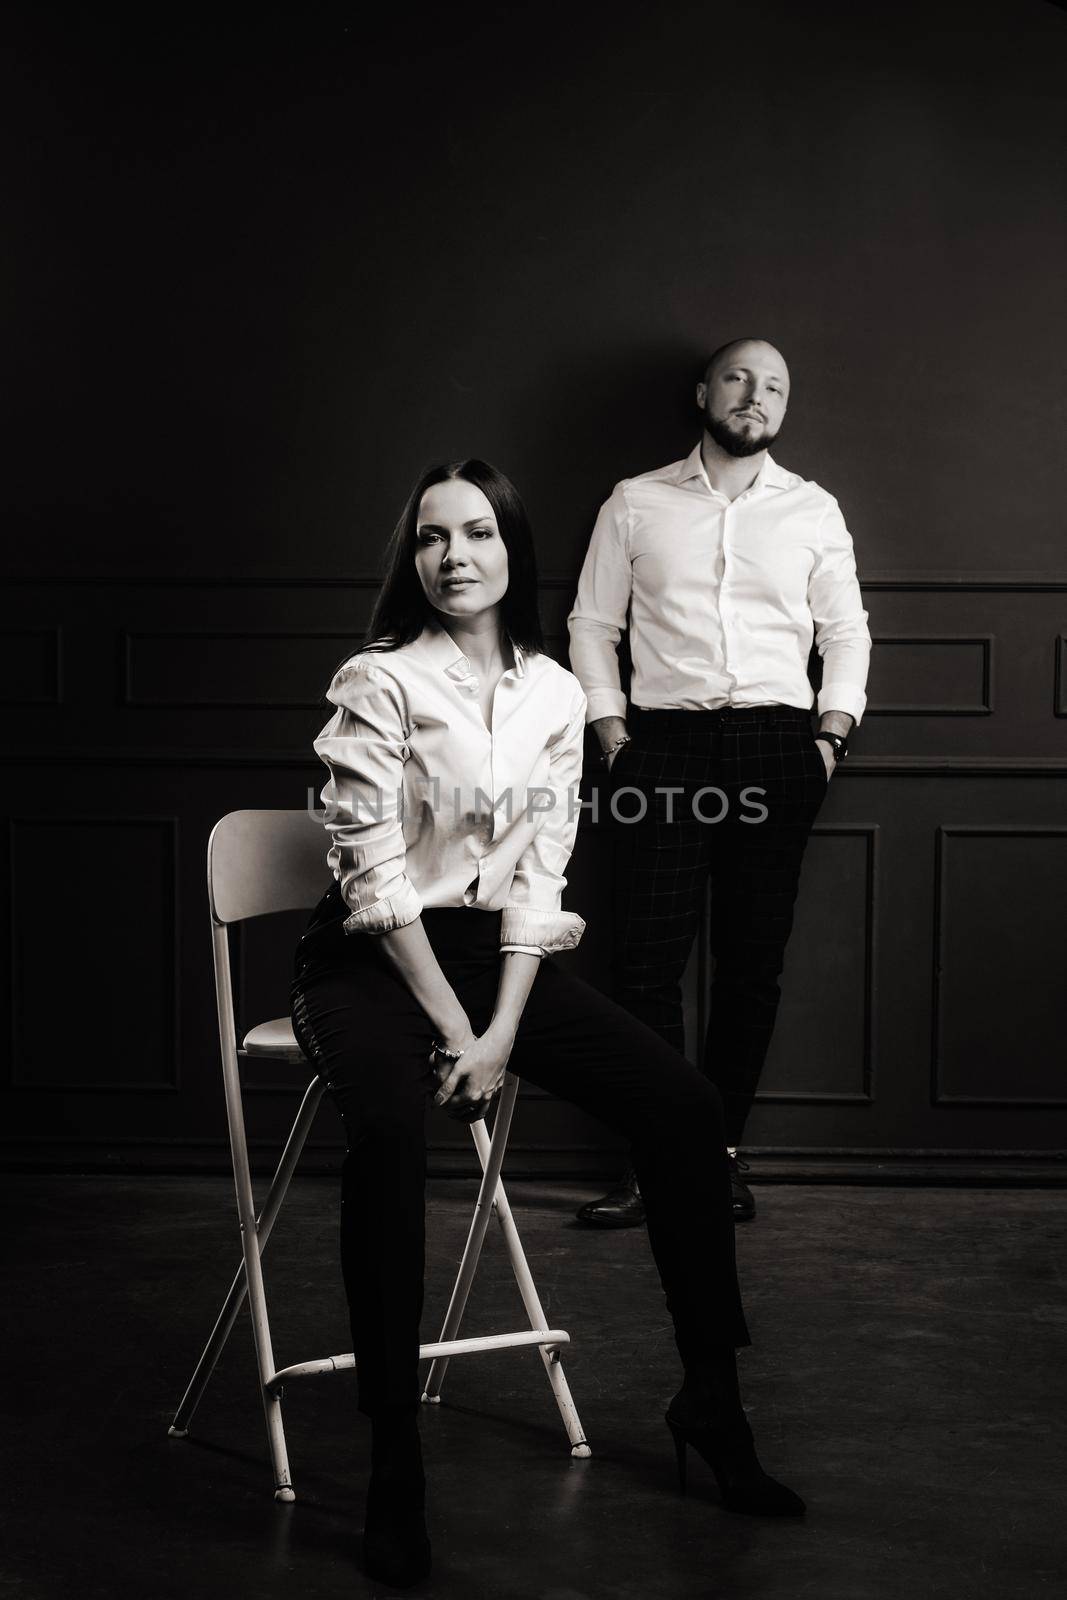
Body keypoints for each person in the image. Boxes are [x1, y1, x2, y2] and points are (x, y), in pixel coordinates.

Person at [290, 457, 806, 1589]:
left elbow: (538, 877)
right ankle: (392, 1463)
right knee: (384, 1130)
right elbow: (374, 887)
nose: (454, 556)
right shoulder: (378, 681)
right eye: (431, 538)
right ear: (410, 557)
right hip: (375, 962)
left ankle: (711, 1401)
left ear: (512, 549)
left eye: (477, 533)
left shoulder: (555, 695)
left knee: (683, 1106)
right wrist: (452, 1030)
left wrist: (499, 1029)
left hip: (497, 965)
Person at [568, 339, 871, 1227]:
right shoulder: (635, 502)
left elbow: (845, 632)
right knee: (645, 964)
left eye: (775, 386)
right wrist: (612, 731)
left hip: (781, 749)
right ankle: (657, 1159)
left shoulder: (812, 510)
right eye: (740, 378)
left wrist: (830, 738)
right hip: (661, 749)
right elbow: (592, 624)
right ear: (704, 392)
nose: (756, 396)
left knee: (751, 967)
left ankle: (720, 1156)